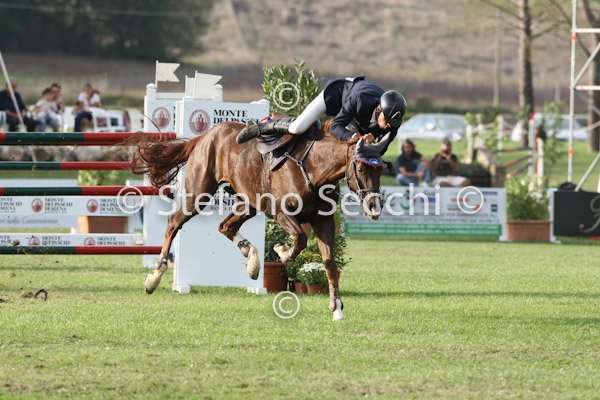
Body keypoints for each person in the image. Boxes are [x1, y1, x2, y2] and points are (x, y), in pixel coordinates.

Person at [236, 76, 407, 155]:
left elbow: (381, 151)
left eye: (392, 122)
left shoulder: (394, 121)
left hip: (357, 114)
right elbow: (335, 127)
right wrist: (358, 137)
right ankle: (262, 127)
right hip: (338, 95)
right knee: (298, 128)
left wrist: (372, 145)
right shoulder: (360, 99)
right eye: (387, 120)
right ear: (379, 110)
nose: (389, 125)